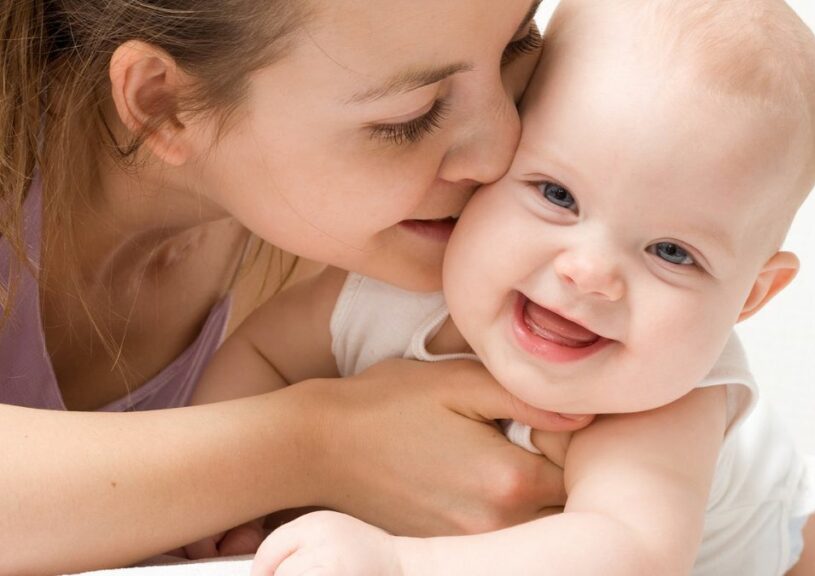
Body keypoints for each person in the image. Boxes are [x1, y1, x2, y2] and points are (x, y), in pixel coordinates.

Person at [194, 0, 815, 574]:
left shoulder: (665, 399)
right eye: (556, 195)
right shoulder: (386, 289)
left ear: (751, 297)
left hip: (773, 540)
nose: (589, 272)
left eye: (672, 251)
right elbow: (262, 357)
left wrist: (399, 563)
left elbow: (625, 552)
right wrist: (223, 506)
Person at [0, 1, 600, 574]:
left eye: (518, 41)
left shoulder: (360, 243)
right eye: (410, 116)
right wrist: (320, 445)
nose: (502, 151)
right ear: (163, 102)